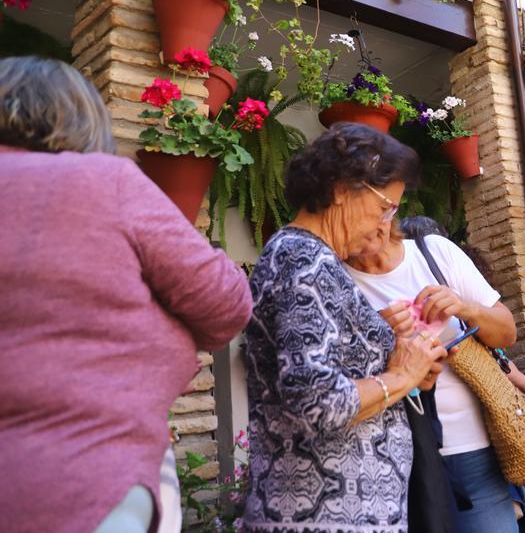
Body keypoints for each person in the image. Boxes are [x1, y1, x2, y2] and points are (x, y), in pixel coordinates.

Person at [0, 56, 253, 532]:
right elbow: (226, 304)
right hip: (90, 481)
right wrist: (164, 336)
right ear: (82, 120)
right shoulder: (102, 180)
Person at [242, 123, 446, 531]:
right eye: (384, 207)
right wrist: (402, 375)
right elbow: (318, 402)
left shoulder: (313, 259)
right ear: (340, 188)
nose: (386, 225)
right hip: (320, 516)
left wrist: (406, 359)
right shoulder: (301, 259)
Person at [344, 215, 521, 533]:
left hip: (472, 453)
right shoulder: (335, 279)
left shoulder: (435, 253)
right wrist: (376, 335)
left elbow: (507, 333)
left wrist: (466, 308)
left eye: (383, 207)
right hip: (391, 464)